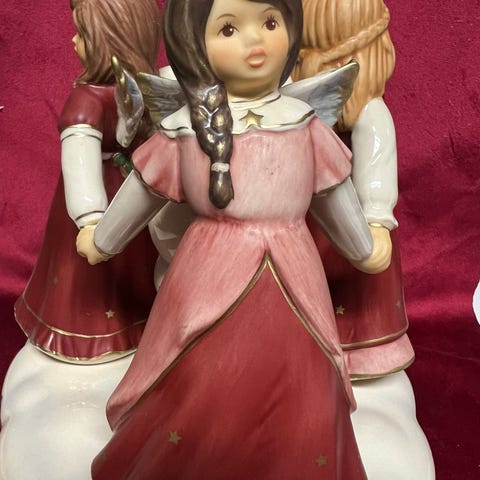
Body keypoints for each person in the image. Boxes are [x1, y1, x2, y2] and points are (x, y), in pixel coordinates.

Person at [78, 0, 390, 477]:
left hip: (293, 274)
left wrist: (363, 247)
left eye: (270, 22)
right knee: (200, 373)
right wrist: (103, 239)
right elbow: (142, 192)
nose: (255, 39)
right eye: (228, 29)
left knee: (302, 379)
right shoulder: (184, 129)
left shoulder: (303, 123)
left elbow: (334, 196)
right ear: (193, 45)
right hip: (206, 273)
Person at [14, 0, 161, 363]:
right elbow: (80, 163)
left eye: (81, 33)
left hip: (127, 196)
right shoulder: (103, 97)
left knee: (127, 265)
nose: (73, 41)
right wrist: (90, 219)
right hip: (118, 196)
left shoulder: (97, 97)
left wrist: (93, 222)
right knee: (93, 273)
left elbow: (81, 154)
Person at [292, 0, 415, 379]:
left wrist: (376, 221)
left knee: (356, 291)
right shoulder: (298, 114)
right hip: (304, 223)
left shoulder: (369, 114)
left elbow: (377, 168)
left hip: (354, 229)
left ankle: (362, 352)